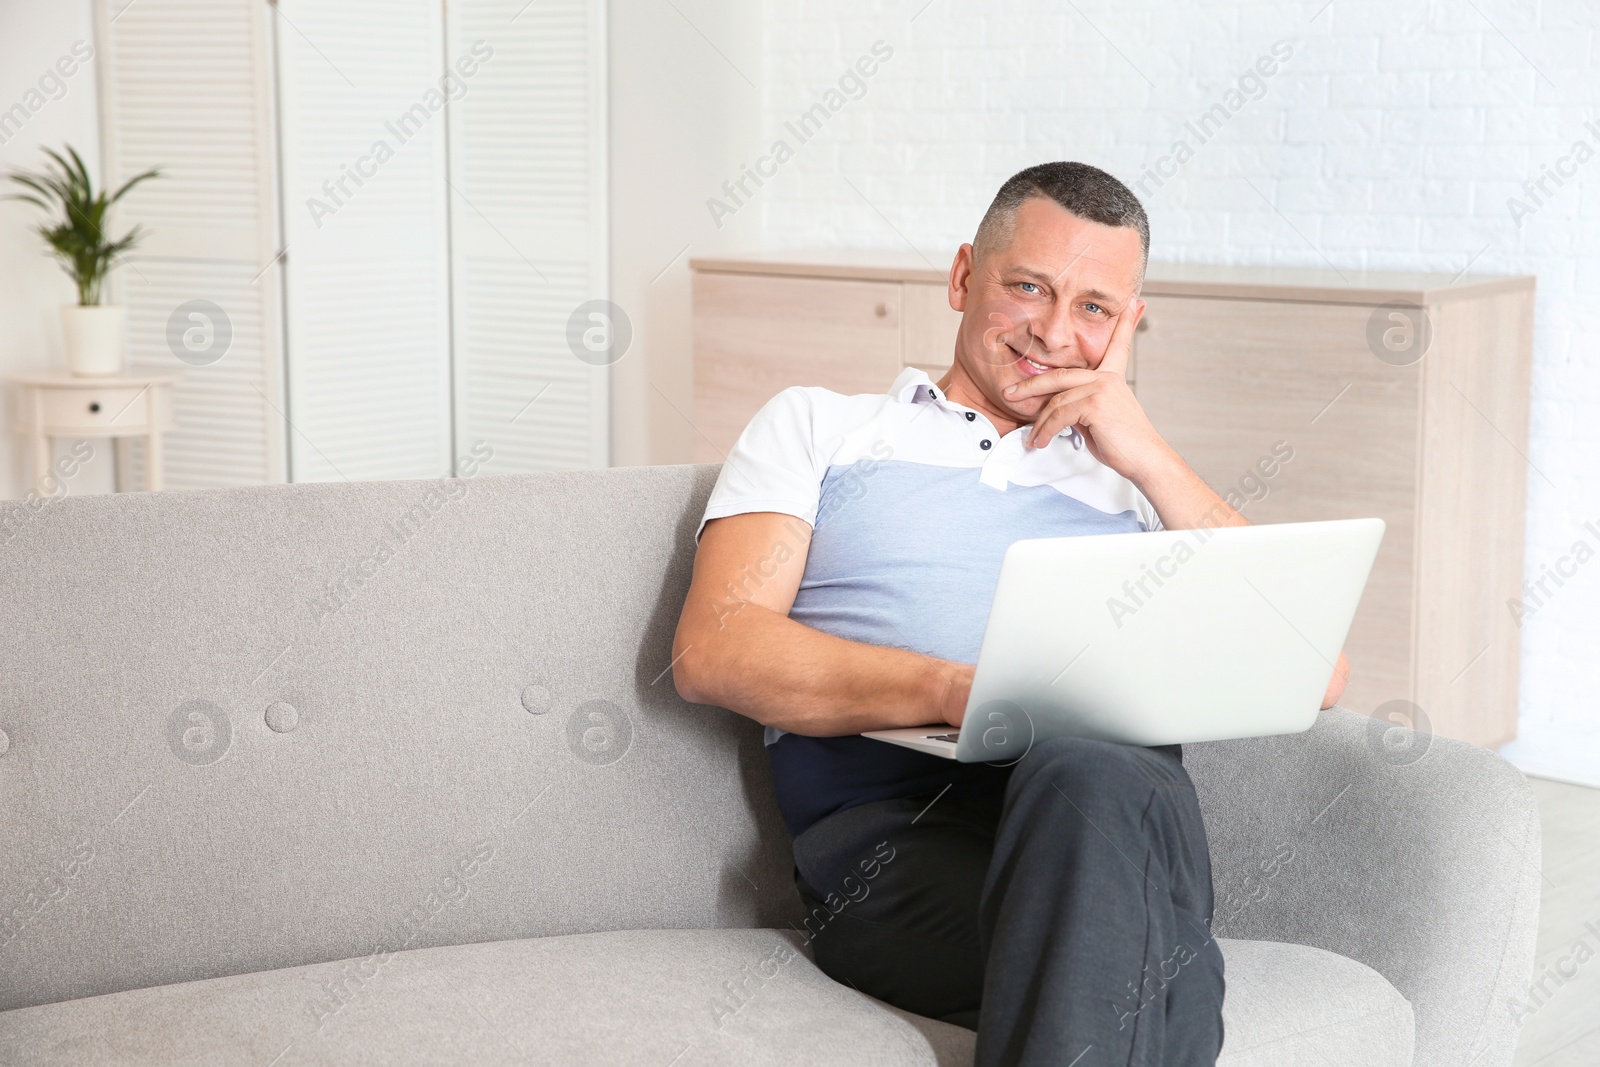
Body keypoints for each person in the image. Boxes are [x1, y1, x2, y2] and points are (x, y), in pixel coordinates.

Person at [671, 161, 1349, 1067]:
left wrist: (1148, 455)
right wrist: (957, 691)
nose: (1055, 332)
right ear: (962, 277)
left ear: (1129, 327)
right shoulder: (819, 428)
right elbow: (717, 645)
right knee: (1168, 975)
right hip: (894, 847)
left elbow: (1315, 666)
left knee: (1088, 769)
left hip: (1116, 814)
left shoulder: (1134, 483)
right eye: (1027, 286)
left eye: (1095, 309)